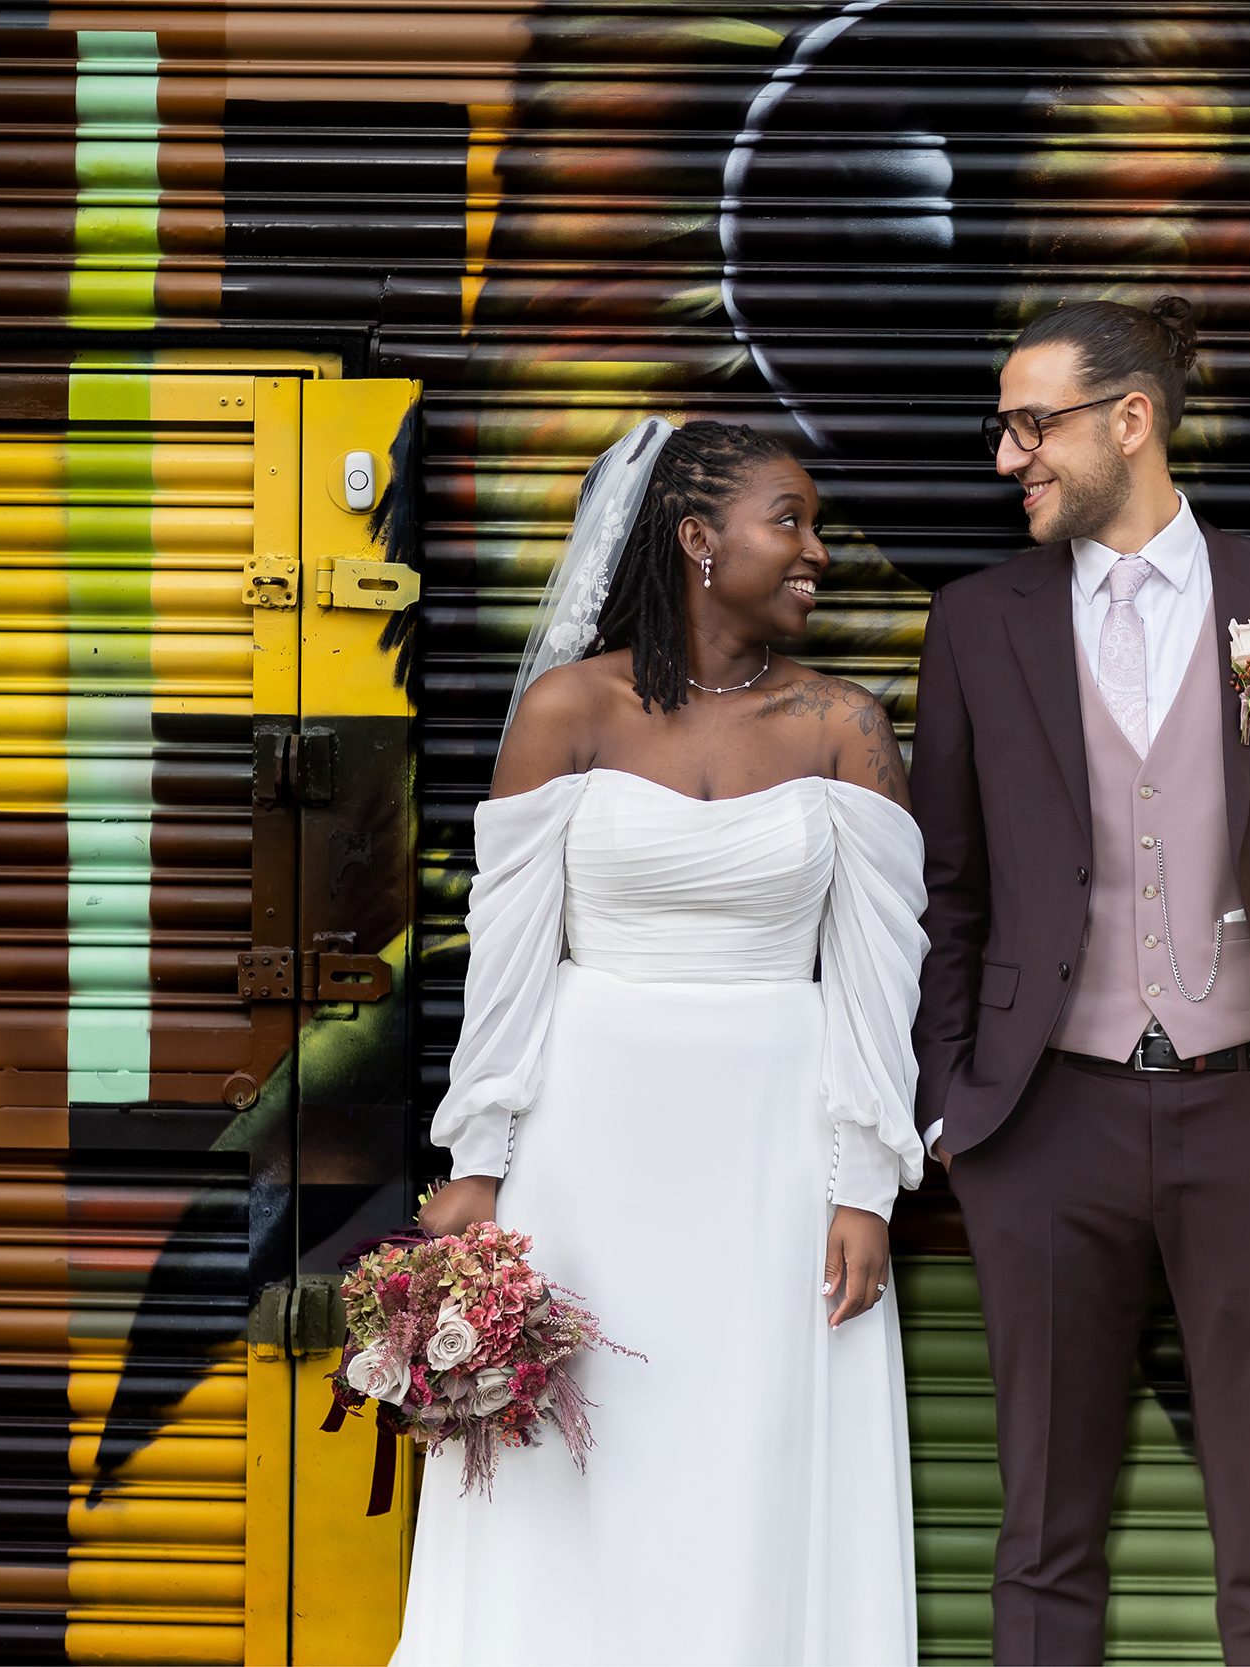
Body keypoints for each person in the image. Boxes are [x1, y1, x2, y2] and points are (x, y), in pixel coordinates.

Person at [909, 297, 1250, 1664]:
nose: (1008, 456)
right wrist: (955, 1104)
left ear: (1131, 420)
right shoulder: (974, 621)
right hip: (1043, 1120)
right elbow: (946, 883)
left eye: (1034, 424)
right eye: (1005, 427)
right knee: (1042, 1539)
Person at [395, 417, 925, 1665]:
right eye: (788, 521)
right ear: (697, 539)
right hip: (590, 1137)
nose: (819, 553)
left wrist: (867, 1183)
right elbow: (510, 961)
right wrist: (475, 1160)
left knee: (754, 1430)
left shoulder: (842, 724)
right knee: (586, 1439)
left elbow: (876, 976)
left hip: (777, 1144)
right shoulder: (568, 711)